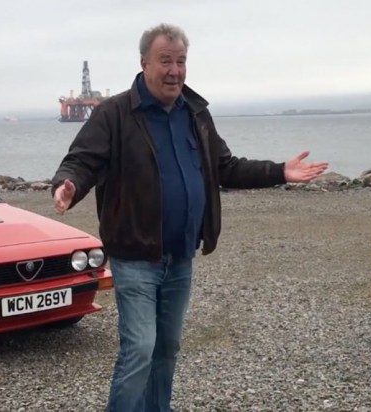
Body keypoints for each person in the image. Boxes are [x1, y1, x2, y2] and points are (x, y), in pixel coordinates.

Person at [51, 23, 329, 412]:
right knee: (140, 349)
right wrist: (68, 185)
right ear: (144, 63)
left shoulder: (195, 113)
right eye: (165, 61)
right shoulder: (114, 113)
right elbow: (82, 161)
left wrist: (280, 171)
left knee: (166, 348)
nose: (175, 71)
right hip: (135, 257)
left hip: (180, 256)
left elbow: (226, 167)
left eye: (180, 62)